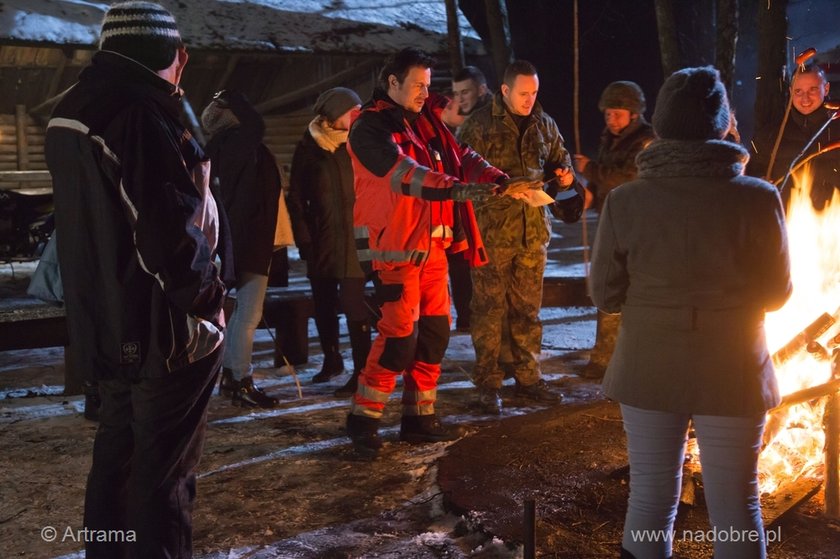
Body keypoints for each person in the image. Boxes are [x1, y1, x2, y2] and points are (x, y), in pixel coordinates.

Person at [44, 2, 231, 557]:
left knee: (118, 462)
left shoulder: (73, 109)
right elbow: (163, 227)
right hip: (165, 327)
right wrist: (208, 301)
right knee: (163, 477)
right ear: (171, 55)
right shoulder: (140, 111)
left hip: (108, 320)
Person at [589, 66, 792, 559]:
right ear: (722, 124)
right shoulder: (759, 198)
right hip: (734, 368)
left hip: (648, 367)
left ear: (660, 124)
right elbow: (777, 293)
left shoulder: (626, 200)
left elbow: (604, 293)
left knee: (651, 498)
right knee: (737, 506)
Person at [345, 47, 522, 458]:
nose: (427, 93)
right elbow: (404, 174)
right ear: (392, 83)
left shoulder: (425, 122)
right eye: (418, 85)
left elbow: (460, 157)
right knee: (398, 341)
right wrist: (456, 188)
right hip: (396, 249)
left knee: (434, 336)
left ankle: (418, 418)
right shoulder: (369, 128)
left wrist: (497, 179)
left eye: (428, 85)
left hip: (433, 249)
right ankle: (364, 419)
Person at [458, 59, 585, 415]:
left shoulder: (545, 125)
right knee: (488, 310)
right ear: (505, 90)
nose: (530, 100)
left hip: (533, 233)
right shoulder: (478, 126)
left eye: (534, 93)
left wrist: (564, 178)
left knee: (528, 311)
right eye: (523, 93)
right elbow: (458, 180)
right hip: (492, 234)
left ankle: (528, 379)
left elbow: (564, 165)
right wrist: (499, 191)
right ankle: (487, 383)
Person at [287, 87, 373, 395]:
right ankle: (331, 360)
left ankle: (362, 369)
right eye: (353, 111)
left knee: (353, 303)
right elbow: (295, 197)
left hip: (354, 238)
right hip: (322, 238)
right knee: (323, 302)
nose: (358, 115)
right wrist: (304, 239)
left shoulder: (361, 144)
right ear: (336, 115)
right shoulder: (309, 149)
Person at [202, 89, 282, 408]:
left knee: (241, 315)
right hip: (248, 239)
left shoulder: (220, 147)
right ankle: (239, 380)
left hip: (238, 240)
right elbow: (256, 124)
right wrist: (234, 97)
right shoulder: (238, 143)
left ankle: (232, 378)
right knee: (248, 314)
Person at [573, 81, 655, 380]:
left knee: (633, 290)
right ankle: (604, 357)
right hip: (611, 221)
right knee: (607, 285)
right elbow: (607, 181)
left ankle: (631, 357)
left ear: (633, 114)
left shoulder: (646, 142)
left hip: (638, 226)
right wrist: (590, 191)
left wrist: (591, 170)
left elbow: (630, 178)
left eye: (617, 114)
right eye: (608, 114)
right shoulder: (610, 138)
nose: (611, 119)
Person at [440, 66, 494, 334]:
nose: (460, 99)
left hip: (493, 214)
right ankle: (467, 317)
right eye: (456, 93)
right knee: (462, 266)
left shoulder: (493, 121)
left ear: (482, 90)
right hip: (466, 210)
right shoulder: (464, 125)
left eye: (466, 92)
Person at [747, 64, 840, 210]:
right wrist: (759, 181)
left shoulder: (836, 128)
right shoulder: (772, 134)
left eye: (813, 89)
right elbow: (752, 171)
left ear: (826, 88)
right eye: (798, 91)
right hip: (788, 221)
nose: (805, 98)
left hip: (832, 220)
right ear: (790, 92)